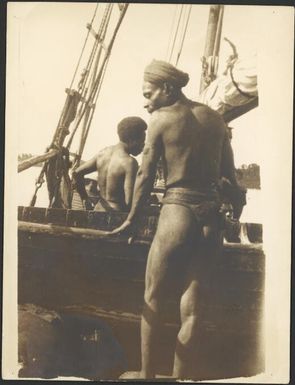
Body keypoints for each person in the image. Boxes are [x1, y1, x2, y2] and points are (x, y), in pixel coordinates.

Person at [111, 60, 243, 379]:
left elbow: (144, 175)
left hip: (177, 210)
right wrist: (235, 214)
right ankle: (181, 377)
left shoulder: (160, 120)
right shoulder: (215, 120)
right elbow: (231, 180)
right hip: (210, 215)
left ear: (167, 89)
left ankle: (147, 375)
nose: (146, 101)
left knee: (153, 296)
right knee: (194, 305)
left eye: (149, 94)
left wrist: (131, 219)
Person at [72, 117, 147, 211]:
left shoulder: (102, 154)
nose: (143, 146)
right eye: (141, 141)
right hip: (116, 216)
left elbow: (76, 173)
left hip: (98, 210)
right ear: (131, 139)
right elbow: (129, 201)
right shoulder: (130, 163)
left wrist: (84, 198)